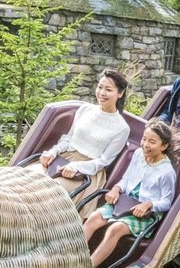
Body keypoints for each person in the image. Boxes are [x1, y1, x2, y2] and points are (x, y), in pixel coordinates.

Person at [82, 121, 180, 268]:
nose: (145, 144)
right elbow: (127, 179)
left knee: (115, 229)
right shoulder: (138, 155)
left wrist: (149, 204)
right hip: (124, 203)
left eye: (152, 142)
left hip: (143, 213)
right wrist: (116, 189)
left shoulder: (167, 172)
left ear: (164, 146)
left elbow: (166, 202)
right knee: (94, 217)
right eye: (144, 139)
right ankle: (70, 258)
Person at [31, 69, 131, 215]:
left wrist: (76, 166)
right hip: (63, 159)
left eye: (108, 89)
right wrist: (53, 152)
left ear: (120, 94)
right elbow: (68, 139)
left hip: (86, 172)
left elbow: (104, 161)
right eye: (100, 87)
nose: (102, 93)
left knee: (49, 190)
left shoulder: (122, 128)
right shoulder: (84, 109)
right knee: (29, 176)